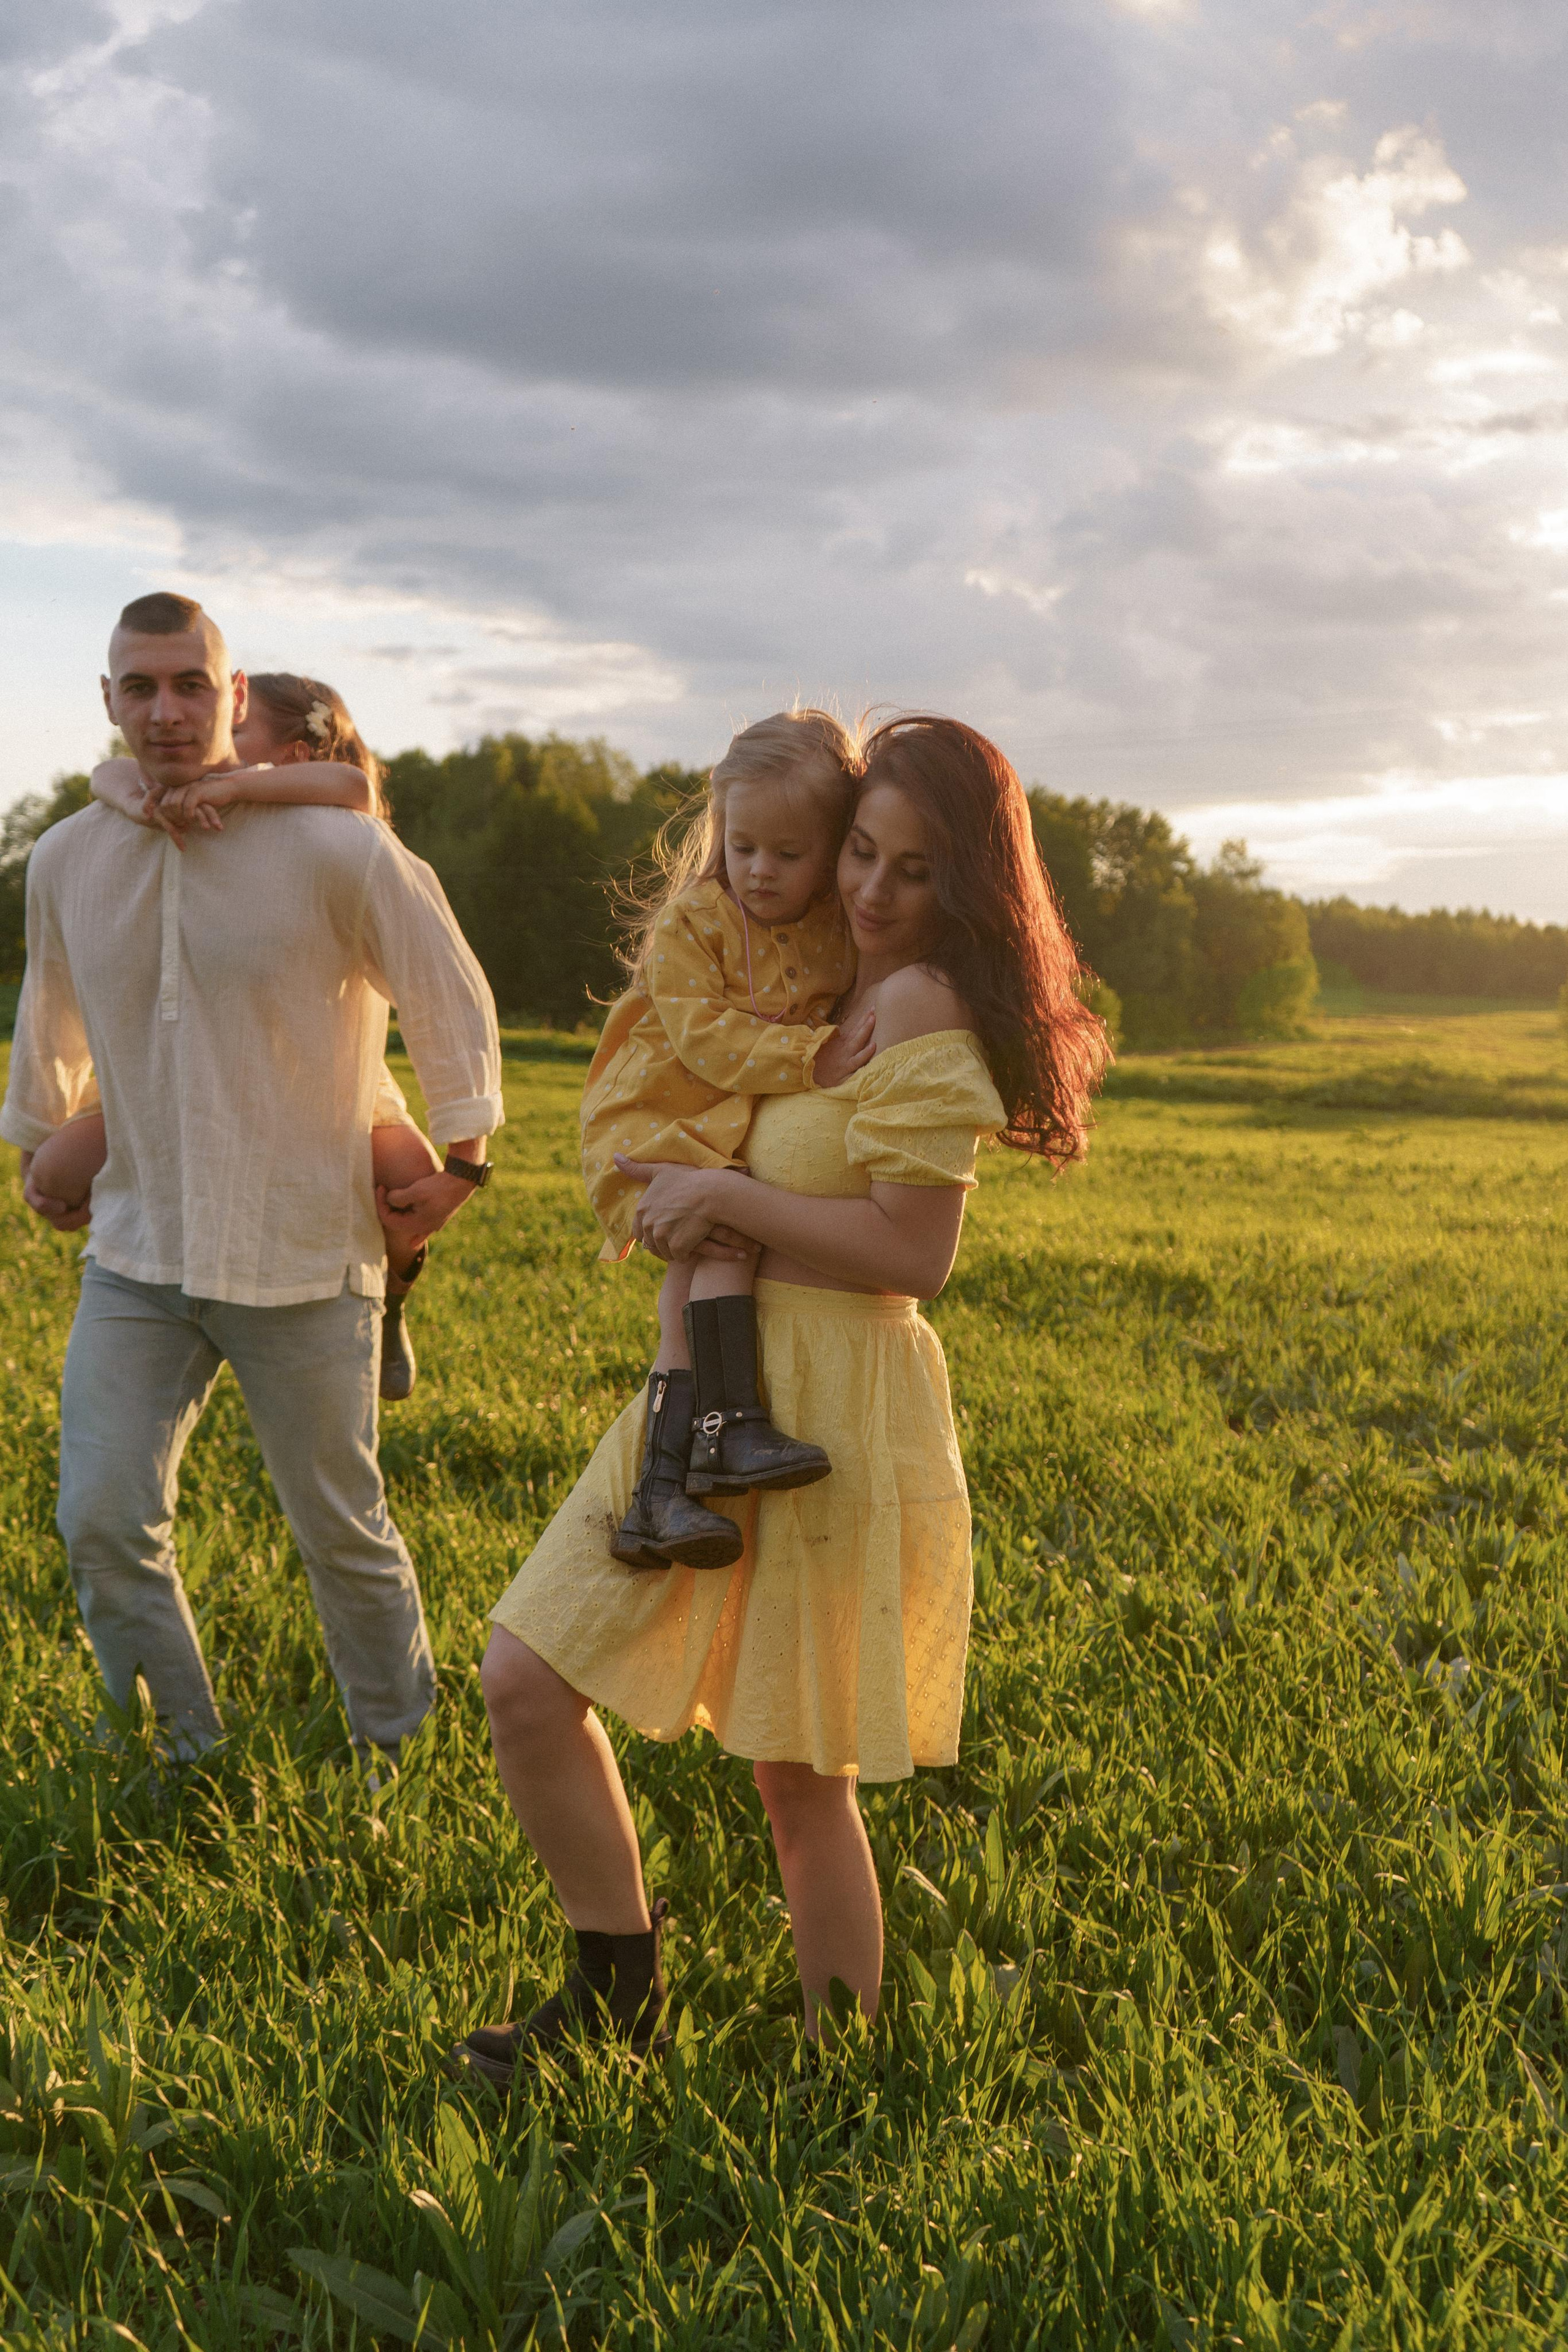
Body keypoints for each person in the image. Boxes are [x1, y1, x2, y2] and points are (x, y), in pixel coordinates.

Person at [452, 714, 1110, 2087]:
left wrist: (724, 1197)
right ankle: (616, 1996)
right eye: (861, 853)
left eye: (914, 872)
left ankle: (840, 2075)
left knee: (797, 1778)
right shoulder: (813, 989)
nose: (871, 891)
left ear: (969, 889)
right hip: (704, 1380)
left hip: (832, 1405)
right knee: (522, 1678)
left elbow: (912, 1253)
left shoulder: (921, 1009)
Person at [2, 591, 502, 1763]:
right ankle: (184, 1752)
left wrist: (467, 1155)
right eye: (141, 686)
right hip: (138, 1254)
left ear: (234, 697)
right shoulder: (72, 857)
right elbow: (51, 1017)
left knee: (341, 1530)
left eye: (191, 685)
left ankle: (400, 1750)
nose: (166, 711)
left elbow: (446, 986)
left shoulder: (336, 846)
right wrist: (38, 1142)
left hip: (304, 1249)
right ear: (109, 700)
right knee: (101, 1520)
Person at [37, 671, 442, 1400]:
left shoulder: (318, 816)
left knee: (409, 1170)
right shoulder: (175, 795)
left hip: (304, 1062)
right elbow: (107, 770)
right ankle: (156, 1255)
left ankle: (390, 1296)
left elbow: (358, 794)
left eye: (241, 735)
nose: (216, 747)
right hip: (166, 1057)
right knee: (54, 1173)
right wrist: (133, 794)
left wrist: (230, 790)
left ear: (293, 759)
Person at [579, 709, 875, 1572]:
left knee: (713, 1261)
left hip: (716, 1134)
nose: (761, 870)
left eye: (789, 853)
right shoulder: (695, 923)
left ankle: (663, 1494)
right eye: (744, 846)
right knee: (721, 1249)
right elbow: (707, 1040)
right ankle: (724, 1434)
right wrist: (813, 1058)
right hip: (652, 1122)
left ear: (833, 849)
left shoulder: (830, 931)